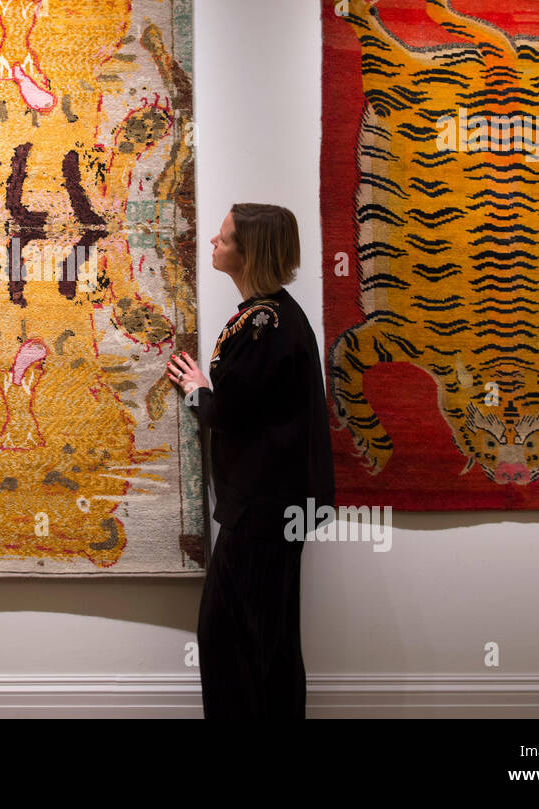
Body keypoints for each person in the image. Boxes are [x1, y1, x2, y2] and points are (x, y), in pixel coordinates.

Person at [165, 203, 334, 719]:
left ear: (249, 253)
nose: (214, 244)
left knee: (230, 641)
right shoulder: (277, 315)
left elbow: (229, 415)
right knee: (269, 641)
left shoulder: (264, 323)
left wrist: (197, 391)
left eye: (224, 239)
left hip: (263, 510)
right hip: (279, 506)